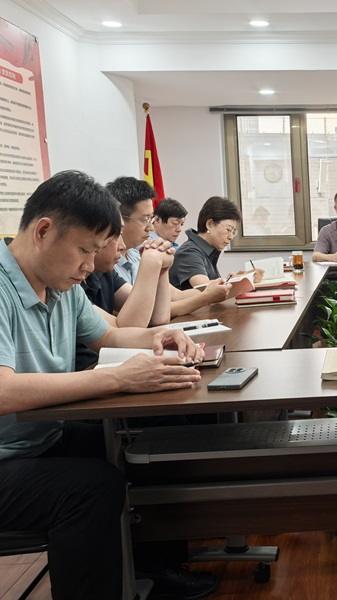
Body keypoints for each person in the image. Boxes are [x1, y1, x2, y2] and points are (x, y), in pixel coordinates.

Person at [0, 170, 218, 599]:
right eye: (85, 250)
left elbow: (110, 336)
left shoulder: (59, 284)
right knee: (91, 488)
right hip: (8, 457)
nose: (89, 266)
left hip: (42, 439)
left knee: (153, 444)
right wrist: (116, 377)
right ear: (43, 231)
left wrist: (160, 336)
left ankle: (156, 569)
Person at [107, 177, 231, 316]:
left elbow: (176, 295)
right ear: (119, 219)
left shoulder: (136, 255)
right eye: (144, 220)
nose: (150, 227)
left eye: (150, 219)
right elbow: (150, 312)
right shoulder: (108, 264)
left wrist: (214, 290)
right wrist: (206, 297)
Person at [76, 215, 174, 371]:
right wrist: (151, 262)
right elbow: (128, 328)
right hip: (92, 372)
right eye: (115, 236)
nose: (122, 246)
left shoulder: (102, 273)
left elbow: (158, 317)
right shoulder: (71, 283)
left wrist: (161, 268)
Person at [170, 196, 241, 290]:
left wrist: (234, 280)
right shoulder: (189, 252)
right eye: (228, 230)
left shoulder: (206, 250)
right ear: (209, 224)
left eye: (233, 232)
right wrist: (234, 283)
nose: (231, 237)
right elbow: (206, 289)